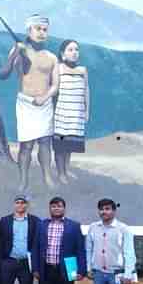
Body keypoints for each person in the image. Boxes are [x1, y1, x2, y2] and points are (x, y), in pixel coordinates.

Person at [0, 14, 60, 192]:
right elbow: (3, 74)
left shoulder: (52, 57)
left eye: (44, 30)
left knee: (45, 142)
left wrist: (45, 97)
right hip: (25, 103)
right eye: (38, 29)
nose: (41, 33)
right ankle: (23, 179)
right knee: (25, 145)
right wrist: (15, 54)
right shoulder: (19, 50)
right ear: (29, 30)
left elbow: (55, 85)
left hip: (45, 103)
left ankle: (47, 176)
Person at [53, 39, 90, 184]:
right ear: (63, 54)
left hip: (76, 114)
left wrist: (87, 110)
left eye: (76, 49)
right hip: (61, 114)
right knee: (60, 146)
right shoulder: (58, 68)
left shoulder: (83, 70)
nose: (74, 52)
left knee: (69, 146)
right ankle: (61, 173)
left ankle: (66, 170)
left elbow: (87, 90)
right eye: (70, 50)